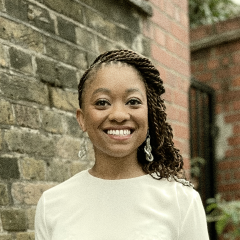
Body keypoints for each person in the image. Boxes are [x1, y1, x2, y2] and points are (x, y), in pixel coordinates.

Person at [35, 49, 209, 240]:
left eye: (133, 101)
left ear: (149, 115)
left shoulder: (182, 201)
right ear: (82, 119)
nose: (119, 115)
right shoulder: (51, 204)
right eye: (102, 102)